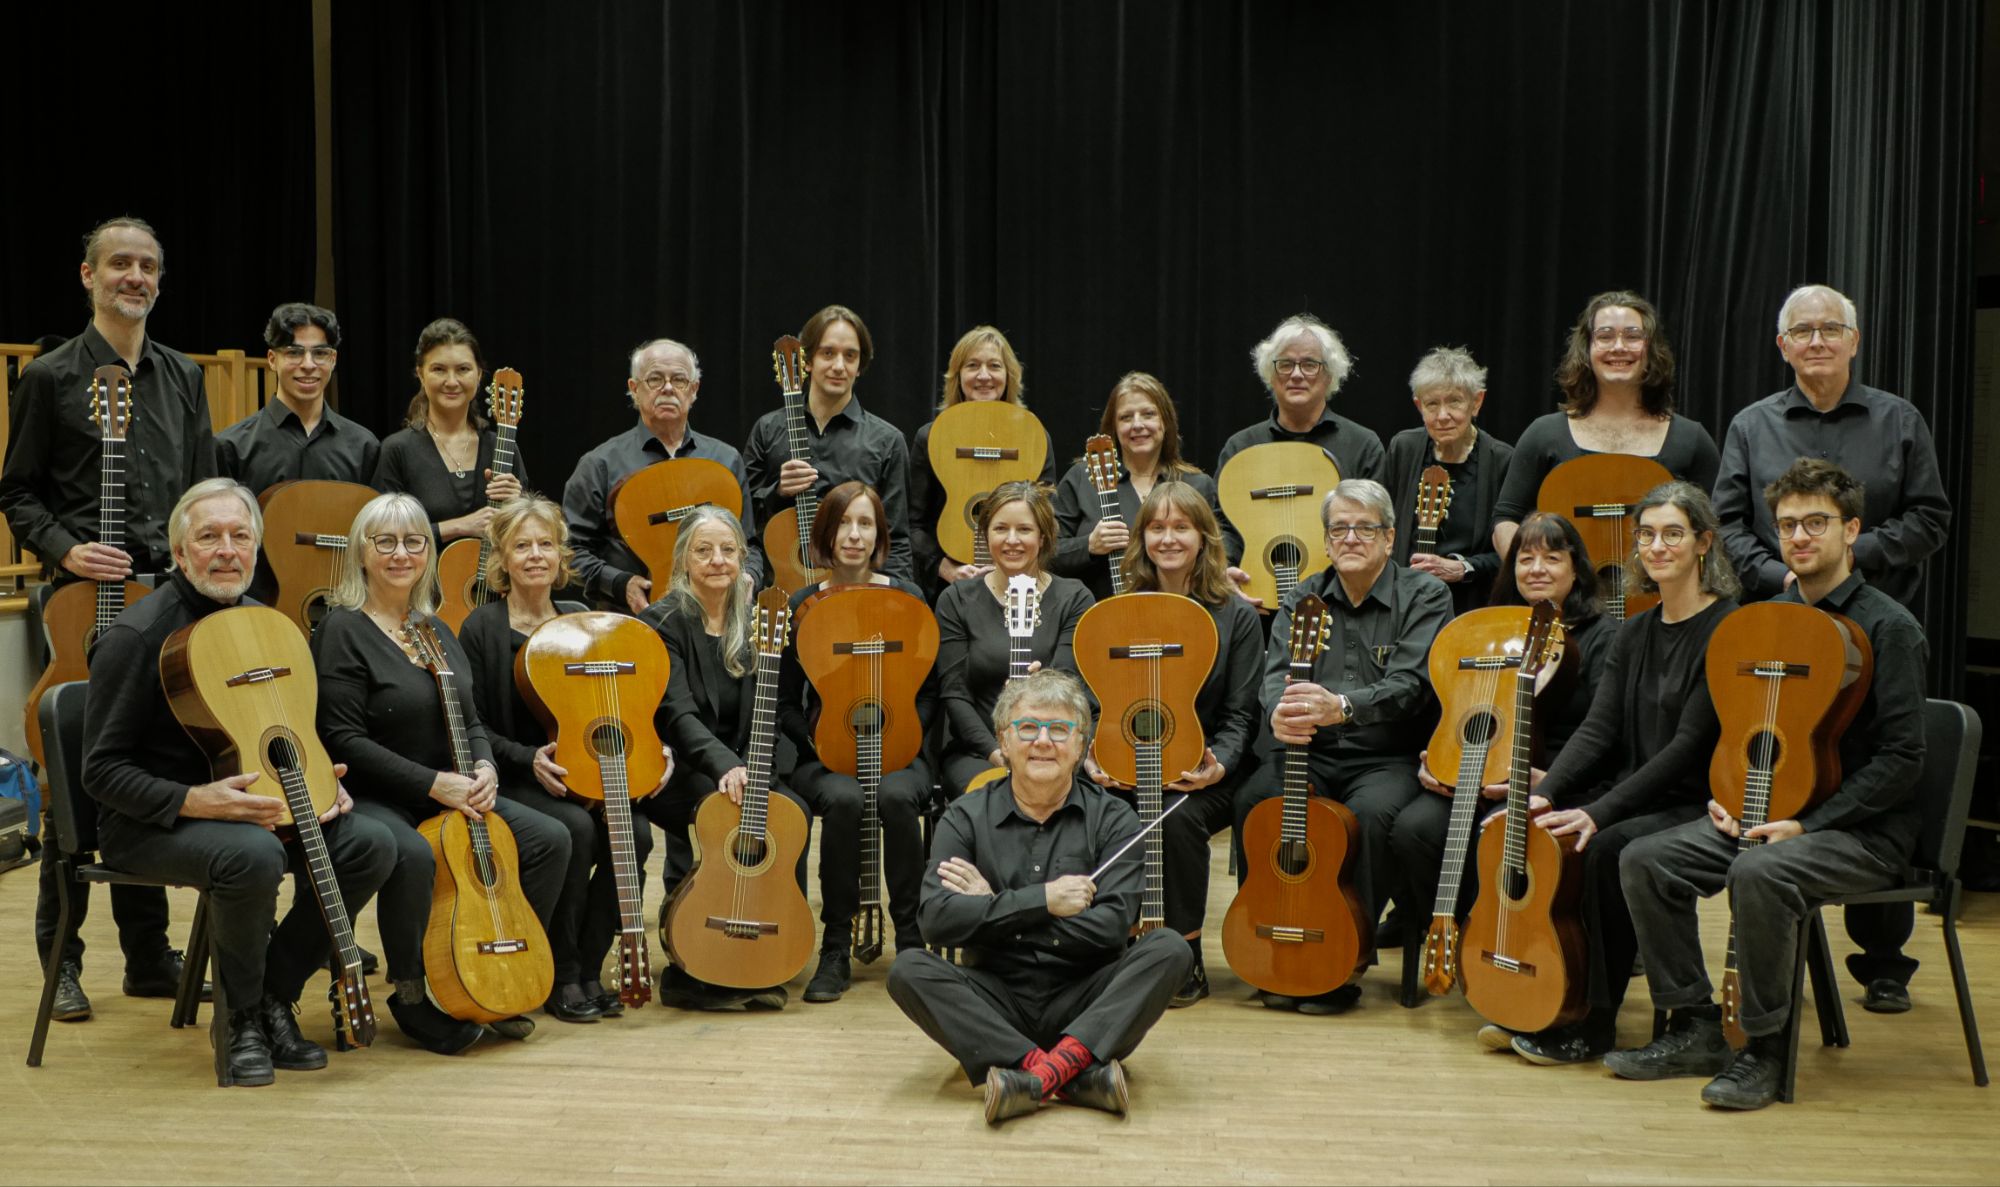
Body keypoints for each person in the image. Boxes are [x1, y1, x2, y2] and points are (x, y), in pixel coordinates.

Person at [1606, 458, 1926, 1110]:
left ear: (1852, 529)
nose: (1799, 536)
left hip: (1859, 832)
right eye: (1787, 524)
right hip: (1763, 815)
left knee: (1762, 873)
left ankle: (1763, 1049)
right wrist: (1731, 798)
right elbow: (1743, 728)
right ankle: (1695, 1021)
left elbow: (1903, 757)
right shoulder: (1762, 618)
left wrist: (1810, 822)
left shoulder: (1890, 627)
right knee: (1645, 857)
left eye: (1817, 522)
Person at [81, 478, 395, 1086]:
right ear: (179, 553)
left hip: (257, 806)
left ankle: (275, 994)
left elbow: (287, 726)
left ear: (257, 547)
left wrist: (321, 778)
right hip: (152, 822)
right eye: (209, 537)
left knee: (369, 844)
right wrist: (198, 801)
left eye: (240, 536)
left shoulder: (267, 625)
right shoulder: (137, 637)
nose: (227, 550)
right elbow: (101, 771)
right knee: (250, 857)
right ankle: (241, 1019)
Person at [1713, 284, 1951, 1013]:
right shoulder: (1753, 424)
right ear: (1782, 346)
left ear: (1853, 340)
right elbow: (1725, 521)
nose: (1816, 340)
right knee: (1791, 760)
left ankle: (1883, 959)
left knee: (1870, 755)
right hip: (1783, 624)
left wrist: (1853, 561)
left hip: (1872, 623)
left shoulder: (1897, 419)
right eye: (1801, 331)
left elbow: (1931, 516)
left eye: (1830, 329)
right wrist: (1782, 574)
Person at [3, 216, 217, 1023]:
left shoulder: (182, 376)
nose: (135, 276)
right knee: (70, 782)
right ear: (86, 276)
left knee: (155, 769)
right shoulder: (53, 376)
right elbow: (17, 488)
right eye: (119, 263)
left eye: (148, 266)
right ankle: (63, 961)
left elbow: (202, 486)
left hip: (167, 602)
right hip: (83, 600)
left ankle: (148, 957)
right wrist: (66, 546)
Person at [313, 492, 570, 1053]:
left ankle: (490, 968)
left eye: (414, 542)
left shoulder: (434, 629)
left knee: (550, 839)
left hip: (453, 788)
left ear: (429, 554)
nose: (401, 554)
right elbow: (342, 738)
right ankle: (410, 994)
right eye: (386, 542)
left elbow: (470, 717)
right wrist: (434, 784)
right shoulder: (342, 629)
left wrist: (483, 766)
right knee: (412, 853)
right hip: (378, 793)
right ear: (362, 552)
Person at [1496, 483, 1738, 1065]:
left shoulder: (1728, 629)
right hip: (1635, 793)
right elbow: (1599, 732)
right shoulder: (1635, 629)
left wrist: (1599, 812)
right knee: (1550, 832)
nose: (1657, 546)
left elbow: (1685, 749)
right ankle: (1553, 1002)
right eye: (1647, 534)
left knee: (1602, 846)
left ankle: (1598, 1023)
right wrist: (1546, 794)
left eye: (1672, 533)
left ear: (1704, 543)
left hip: (1696, 803)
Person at [887, 669, 1192, 1124]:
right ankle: (1073, 1072)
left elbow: (1111, 929)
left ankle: (1032, 1077)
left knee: (1168, 948)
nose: (1043, 741)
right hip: (995, 1001)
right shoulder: (966, 816)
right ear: (1003, 742)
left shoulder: (1115, 820)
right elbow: (934, 920)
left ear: (1082, 745)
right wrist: (1042, 900)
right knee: (908, 968)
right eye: (1028, 728)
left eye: (1060, 729)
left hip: (1089, 998)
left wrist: (993, 907)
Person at [458, 495, 671, 1022]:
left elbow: (618, 702)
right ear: (502, 559)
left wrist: (648, 748)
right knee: (574, 828)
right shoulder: (481, 628)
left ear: (561, 556)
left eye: (546, 544)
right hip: (514, 775)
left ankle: (588, 966)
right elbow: (473, 723)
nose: (535, 556)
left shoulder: (583, 620)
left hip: (586, 773)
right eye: (522, 546)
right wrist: (527, 758)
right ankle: (561, 967)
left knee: (638, 834)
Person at [1245, 478, 1452, 1013]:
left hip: (1387, 756)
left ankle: (1344, 954)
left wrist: (1343, 706)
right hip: (1307, 752)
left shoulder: (1425, 594)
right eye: (1340, 528)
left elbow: (1413, 685)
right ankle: (1268, 938)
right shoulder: (1302, 596)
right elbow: (1273, 677)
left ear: (1388, 538)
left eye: (1365, 528)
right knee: (1257, 804)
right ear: (1327, 539)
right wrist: (1280, 712)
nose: (1351, 538)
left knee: (1369, 816)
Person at [1388, 511, 1614, 947]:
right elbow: (1451, 704)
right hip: (1479, 771)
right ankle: (1440, 929)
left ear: (1576, 568)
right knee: (1412, 829)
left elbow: (1606, 730)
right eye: (1525, 559)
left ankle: (1497, 941)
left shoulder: (1603, 636)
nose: (1537, 569)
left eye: (1552, 557)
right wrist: (1435, 759)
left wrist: (1551, 783)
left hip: (1561, 778)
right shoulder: (1484, 629)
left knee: (1491, 832)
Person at [1099, 482, 1262, 1007]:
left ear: (1203, 537)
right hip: (1132, 762)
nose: (1168, 538)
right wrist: (1094, 759)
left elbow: (1241, 713)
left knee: (1173, 817)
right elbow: (1098, 701)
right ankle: (1114, 945)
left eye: (1181, 527)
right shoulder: (1120, 610)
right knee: (1098, 809)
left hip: (1205, 771)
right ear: (1142, 538)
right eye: (1157, 527)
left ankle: (1184, 956)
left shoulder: (1236, 616)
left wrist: (1219, 765)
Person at [638, 505, 806, 1010]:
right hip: (682, 766)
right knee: (712, 815)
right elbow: (677, 713)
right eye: (703, 550)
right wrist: (724, 768)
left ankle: (765, 951)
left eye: (728, 550)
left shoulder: (758, 620)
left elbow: (771, 711)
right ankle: (690, 963)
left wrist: (757, 769)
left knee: (786, 815)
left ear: (743, 558)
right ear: (683, 559)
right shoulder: (662, 621)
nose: (717, 561)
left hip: (750, 763)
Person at [776, 482, 938, 1002]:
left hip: (899, 745)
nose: (854, 535)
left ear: (880, 533)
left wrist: (905, 735)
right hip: (822, 752)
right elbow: (780, 702)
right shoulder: (801, 606)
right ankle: (835, 946)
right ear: (826, 533)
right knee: (845, 800)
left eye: (865, 523)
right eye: (843, 523)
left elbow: (930, 689)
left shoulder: (907, 598)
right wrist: (822, 741)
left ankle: (912, 940)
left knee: (894, 796)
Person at [1491, 291, 1721, 559]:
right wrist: (1535, 572)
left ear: (1652, 349)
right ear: (1586, 350)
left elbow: (1718, 527)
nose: (1619, 347)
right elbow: (1506, 519)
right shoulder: (1543, 434)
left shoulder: (1691, 439)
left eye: (1633, 336)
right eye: (1605, 336)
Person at [563, 337, 759, 613]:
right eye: (655, 379)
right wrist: (621, 584)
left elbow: (749, 545)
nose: (668, 388)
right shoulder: (600, 464)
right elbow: (570, 550)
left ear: (693, 390)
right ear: (634, 388)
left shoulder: (726, 459)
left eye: (679, 380)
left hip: (716, 621)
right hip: (631, 620)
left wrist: (750, 574)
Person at [935, 481, 1096, 798]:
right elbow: (954, 694)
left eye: (1024, 529)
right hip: (978, 750)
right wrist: (998, 753)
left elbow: (1071, 682)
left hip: (1054, 746)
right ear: (985, 535)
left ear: (1043, 536)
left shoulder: (1075, 597)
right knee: (991, 794)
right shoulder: (956, 600)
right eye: (1000, 529)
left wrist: (1043, 685)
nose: (1012, 540)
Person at [1213, 314, 1385, 608]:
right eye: (1285, 364)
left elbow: (1375, 527)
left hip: (1340, 605)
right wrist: (1223, 570)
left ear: (1329, 375)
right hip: (1254, 604)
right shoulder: (1240, 447)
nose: (1296, 374)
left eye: (1309, 364)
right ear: (1271, 373)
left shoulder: (1362, 445)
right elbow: (1221, 525)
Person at [217, 302, 382, 605]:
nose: (308, 364)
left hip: (345, 609)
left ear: (333, 360)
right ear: (272, 359)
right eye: (294, 352)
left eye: (320, 353)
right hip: (258, 608)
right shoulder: (232, 447)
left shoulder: (364, 446)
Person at [743, 305, 915, 584]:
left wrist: (893, 602)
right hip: (779, 590)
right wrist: (779, 492)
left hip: (855, 593)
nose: (839, 366)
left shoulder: (887, 441)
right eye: (827, 353)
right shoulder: (767, 429)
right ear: (807, 361)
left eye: (850, 356)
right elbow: (743, 522)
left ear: (860, 366)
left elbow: (896, 538)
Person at [910, 326, 1056, 593]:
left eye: (994, 366)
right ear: (958, 376)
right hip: (947, 585)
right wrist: (945, 568)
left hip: (1020, 581)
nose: (984, 375)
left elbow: (1047, 517)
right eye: (973, 365)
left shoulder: (1033, 436)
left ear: (1009, 376)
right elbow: (912, 523)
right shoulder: (930, 436)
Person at [1051, 371, 1219, 604]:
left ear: (1165, 422)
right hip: (1096, 618)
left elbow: (1218, 551)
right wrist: (1088, 545)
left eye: (1148, 414)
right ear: (1114, 427)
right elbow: (1046, 552)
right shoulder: (1082, 478)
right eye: (1126, 417)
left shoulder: (1197, 485)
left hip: (1182, 618)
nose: (1137, 425)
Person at [371, 319, 526, 550]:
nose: (452, 381)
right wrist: (458, 527)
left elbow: (530, 535)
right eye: (439, 369)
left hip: (493, 585)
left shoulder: (501, 446)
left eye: (463, 369)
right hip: (420, 584)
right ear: (421, 375)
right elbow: (380, 535)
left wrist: (519, 504)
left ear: (479, 376)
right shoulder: (397, 450)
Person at [1384, 347, 1515, 617]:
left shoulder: (1503, 461)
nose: (1442, 415)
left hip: (1473, 606)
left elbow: (1515, 553)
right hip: (1403, 606)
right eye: (1432, 404)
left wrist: (1463, 568)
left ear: (1476, 402)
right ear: (1419, 406)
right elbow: (1382, 526)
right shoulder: (1403, 449)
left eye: (1454, 401)